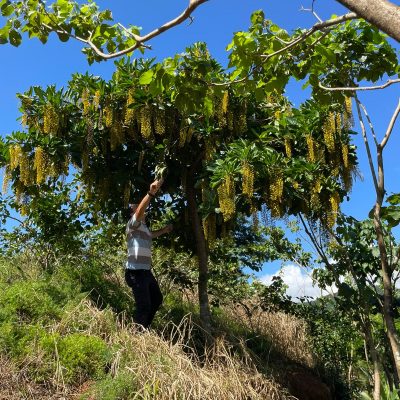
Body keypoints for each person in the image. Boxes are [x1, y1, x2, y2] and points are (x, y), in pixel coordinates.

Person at [124, 179, 173, 329]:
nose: (139, 207)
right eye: (135, 206)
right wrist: (151, 192)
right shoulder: (133, 223)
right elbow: (140, 211)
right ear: (133, 212)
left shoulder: (143, 228)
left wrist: (164, 231)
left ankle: (144, 328)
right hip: (135, 272)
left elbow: (151, 235)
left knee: (157, 299)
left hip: (145, 272)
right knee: (144, 305)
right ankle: (136, 334)